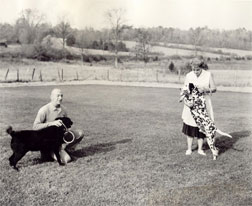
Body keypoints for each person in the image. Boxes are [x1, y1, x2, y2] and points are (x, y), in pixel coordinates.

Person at [33, 88, 84, 164]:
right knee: (67, 160)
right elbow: (35, 127)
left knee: (80, 133)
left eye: (61, 96)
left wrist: (66, 133)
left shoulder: (63, 109)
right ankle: (48, 153)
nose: (60, 98)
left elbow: (66, 127)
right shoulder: (44, 110)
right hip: (48, 142)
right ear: (51, 97)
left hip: (59, 139)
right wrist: (51, 123)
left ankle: (67, 149)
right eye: (58, 96)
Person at [181, 58, 217, 156]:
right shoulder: (189, 75)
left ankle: (200, 149)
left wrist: (205, 89)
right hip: (192, 104)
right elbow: (185, 88)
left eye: (198, 70)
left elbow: (214, 89)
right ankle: (189, 149)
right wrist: (187, 99)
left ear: (202, 67)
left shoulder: (208, 74)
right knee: (190, 124)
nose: (195, 72)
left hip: (203, 104)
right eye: (194, 69)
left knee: (202, 125)